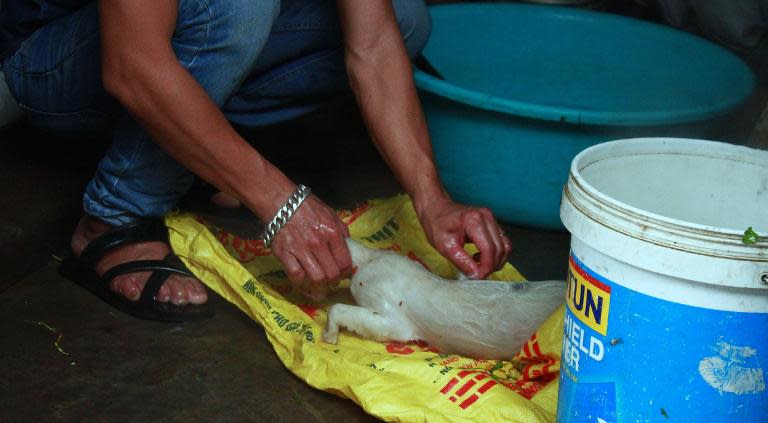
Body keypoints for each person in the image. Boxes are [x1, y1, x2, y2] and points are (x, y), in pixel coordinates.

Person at [0, 0, 512, 321]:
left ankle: (194, 151)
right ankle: (114, 213)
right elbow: (131, 65)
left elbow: (374, 45)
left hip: (196, 26)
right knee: (240, 5)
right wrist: (279, 201)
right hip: (48, 62)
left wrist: (431, 197)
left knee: (401, 17)